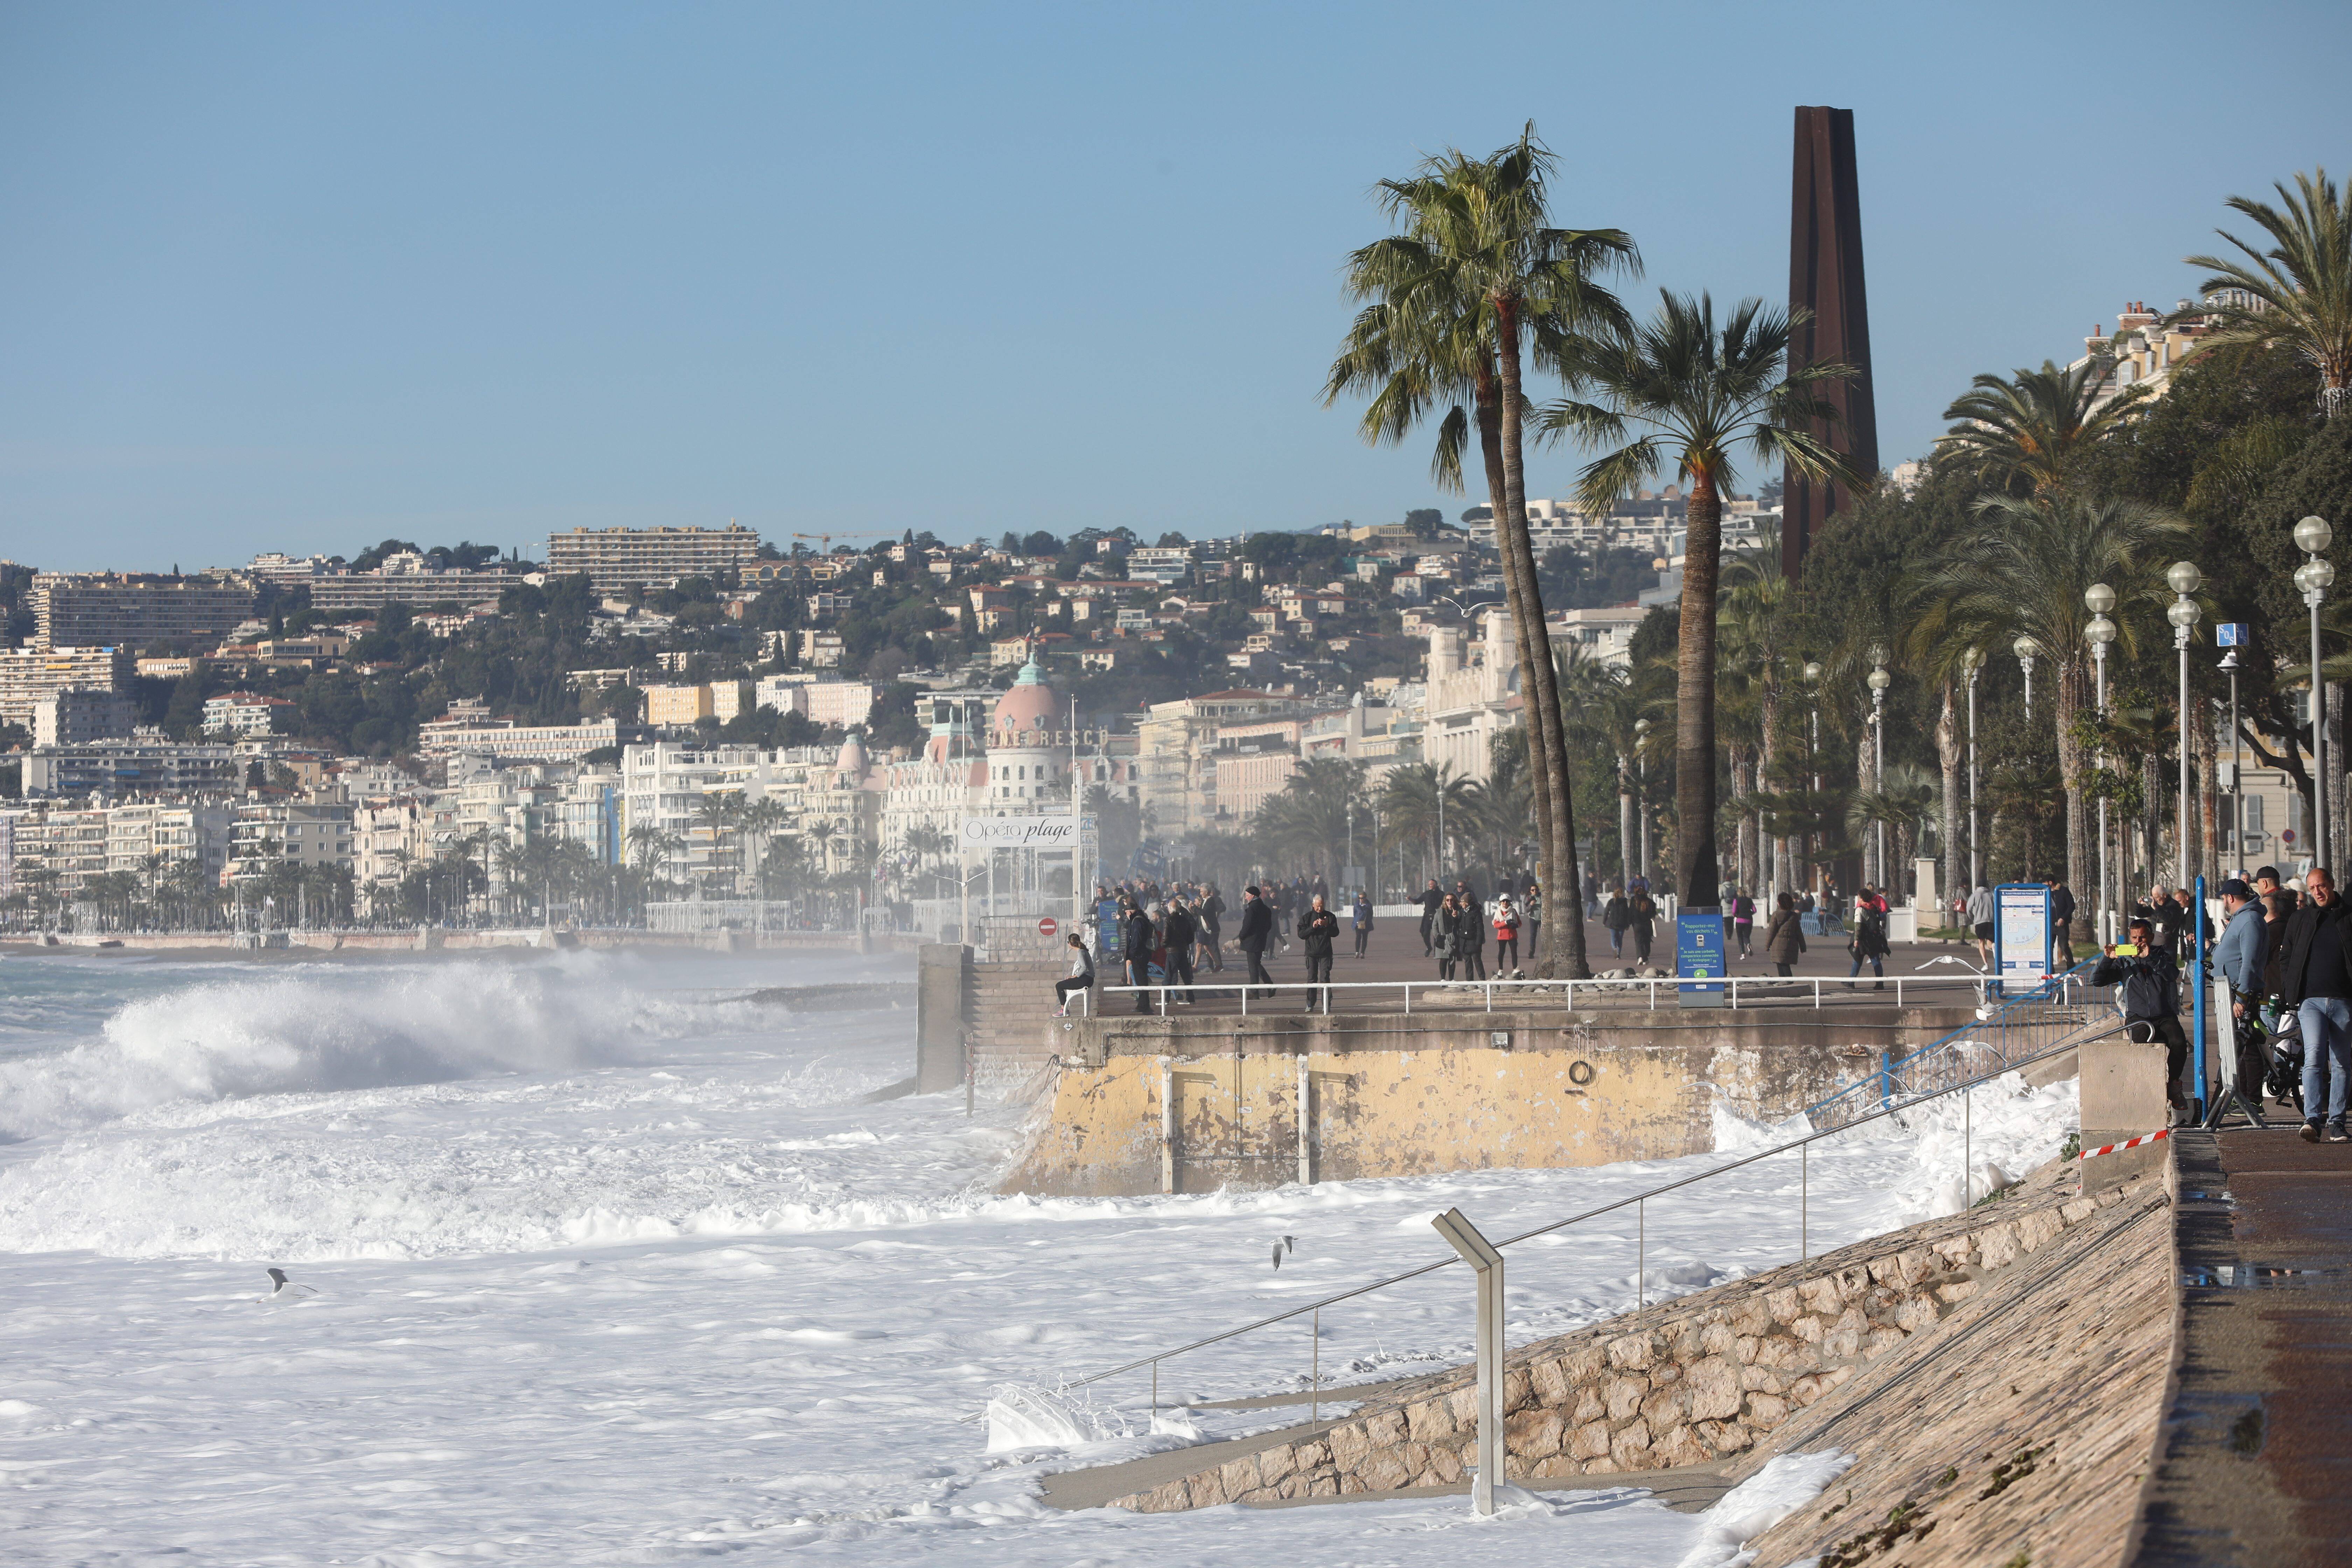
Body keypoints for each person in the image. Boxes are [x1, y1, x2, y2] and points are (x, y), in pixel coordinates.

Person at [2273, 865, 2352, 1142]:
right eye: (2312, 888)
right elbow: (2287, 957)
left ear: (2332, 885)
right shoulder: (2301, 918)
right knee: (2314, 1057)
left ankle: (2339, 1122)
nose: (2317, 892)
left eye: (2322, 886)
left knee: (2342, 1062)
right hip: (2311, 1002)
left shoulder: (2347, 917)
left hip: (2344, 1001)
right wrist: (2290, 988)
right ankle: (2313, 1119)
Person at [2092, 915, 2191, 1125]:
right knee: (2141, 1047)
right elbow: (2097, 981)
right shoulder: (2124, 960)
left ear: (2151, 937)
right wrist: (2107, 958)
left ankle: (2173, 1086)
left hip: (2164, 1014)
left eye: (2143, 938)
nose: (2138, 943)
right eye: (2135, 938)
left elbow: (2172, 974)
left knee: (2179, 1043)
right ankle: (2146, 1094)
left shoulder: (2162, 954)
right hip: (2138, 1016)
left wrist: (2150, 959)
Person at [1299, 893, 1340, 1011]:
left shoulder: (1330, 917)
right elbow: (1301, 935)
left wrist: (1326, 925)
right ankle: (1310, 1004)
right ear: (1313, 905)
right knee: (1312, 978)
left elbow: (1336, 933)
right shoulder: (1306, 918)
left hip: (1326, 953)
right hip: (1311, 953)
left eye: (1322, 906)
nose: (1319, 909)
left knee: (1325, 978)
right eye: (1317, 906)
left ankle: (1326, 1005)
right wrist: (1313, 927)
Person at [1237, 884, 1276, 1001]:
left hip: (1251, 941)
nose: (1246, 898)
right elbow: (1269, 926)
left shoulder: (1252, 908)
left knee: (1253, 967)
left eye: (1247, 896)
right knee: (1256, 964)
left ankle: (1256, 992)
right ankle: (1269, 987)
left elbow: (1247, 926)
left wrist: (1242, 936)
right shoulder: (1265, 908)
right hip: (1261, 940)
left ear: (1253, 896)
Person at [1122, 901, 1157, 1013]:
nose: (1126, 914)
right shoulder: (1141, 919)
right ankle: (1142, 1004)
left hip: (1139, 955)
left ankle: (1144, 1006)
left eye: (1127, 912)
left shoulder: (1137, 921)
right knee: (1141, 980)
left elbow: (1136, 940)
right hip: (1143, 954)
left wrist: (1132, 954)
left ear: (1130, 911)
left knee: (1141, 981)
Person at [1848, 894, 1889, 989]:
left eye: (1859, 897)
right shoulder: (1874, 908)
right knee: (1875, 960)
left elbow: (1858, 926)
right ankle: (1880, 983)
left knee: (1857, 959)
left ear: (1863, 899)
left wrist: (1856, 939)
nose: (1858, 899)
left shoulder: (1860, 909)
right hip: (1874, 937)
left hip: (1863, 939)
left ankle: (1851, 982)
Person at [1163, 895, 1198, 1003]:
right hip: (1183, 950)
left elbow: (1165, 937)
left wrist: (1164, 945)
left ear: (1170, 909)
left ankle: (1166, 1000)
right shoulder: (1184, 919)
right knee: (1186, 977)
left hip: (1172, 951)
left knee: (1168, 976)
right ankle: (1190, 998)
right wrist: (1184, 944)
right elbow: (1191, 937)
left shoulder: (1168, 920)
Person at [1763, 890, 1806, 977]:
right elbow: (1799, 932)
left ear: (1779, 903)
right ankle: (1785, 983)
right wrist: (1803, 947)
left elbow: (1771, 932)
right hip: (1791, 943)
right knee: (1784, 964)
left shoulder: (1776, 915)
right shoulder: (1794, 916)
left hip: (1778, 944)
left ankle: (1788, 983)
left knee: (1782, 965)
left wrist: (1767, 946)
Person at [1054, 931, 1094, 1016]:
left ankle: (1064, 1010)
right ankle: (1064, 1009)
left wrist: (1075, 976)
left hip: (1086, 980)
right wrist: (1074, 978)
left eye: (1069, 942)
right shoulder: (1083, 951)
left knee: (1059, 986)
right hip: (1088, 979)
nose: (1069, 944)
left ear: (1071, 944)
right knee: (1064, 983)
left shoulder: (1081, 952)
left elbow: (1084, 968)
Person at [1455, 880, 1488, 981]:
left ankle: (1483, 980)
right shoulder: (1461, 912)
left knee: (1477, 961)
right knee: (1467, 963)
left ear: (1467, 903)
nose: (1461, 904)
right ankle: (1470, 982)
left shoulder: (1476, 912)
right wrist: (1455, 918)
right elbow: (1457, 925)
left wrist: (1479, 942)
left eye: (1463, 902)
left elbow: (1480, 928)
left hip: (1474, 941)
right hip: (1464, 942)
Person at [2048, 877, 2077, 967]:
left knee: (2064, 946)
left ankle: (2071, 968)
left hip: (2062, 925)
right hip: (2050, 925)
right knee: (2049, 948)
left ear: (2050, 882)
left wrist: (2063, 918)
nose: (2043, 885)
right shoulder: (2045, 893)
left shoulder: (2064, 891)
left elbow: (2072, 906)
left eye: (2045, 883)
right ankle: (2050, 971)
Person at [1967, 882, 1995, 969]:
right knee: (1990, 942)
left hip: (1980, 922)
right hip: (1991, 921)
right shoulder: (1992, 895)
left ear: (1977, 886)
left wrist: (1972, 918)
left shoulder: (1975, 895)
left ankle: (1986, 964)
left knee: (1981, 942)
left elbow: (1969, 908)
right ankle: (1993, 947)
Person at [1198, 883, 1226, 972]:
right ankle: (1211, 965)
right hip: (1207, 927)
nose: (1200, 893)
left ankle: (1218, 965)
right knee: (1208, 946)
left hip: (1212, 928)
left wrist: (1216, 913)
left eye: (1202, 891)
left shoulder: (1213, 900)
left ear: (1207, 892)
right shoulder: (1205, 900)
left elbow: (1205, 912)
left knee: (1213, 946)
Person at [1629, 885, 1658, 967]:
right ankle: (1646, 956)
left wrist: (1629, 923)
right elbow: (1653, 913)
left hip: (1637, 925)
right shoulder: (1649, 902)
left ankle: (1641, 957)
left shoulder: (1634, 901)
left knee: (1639, 941)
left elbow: (1630, 912)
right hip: (1647, 924)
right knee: (1647, 941)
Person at [1492, 894, 1521, 976]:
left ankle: (1515, 969)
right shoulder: (1498, 912)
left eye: (1507, 901)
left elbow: (1520, 923)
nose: (1505, 903)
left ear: (1510, 902)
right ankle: (1500, 970)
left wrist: (1516, 926)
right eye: (1503, 901)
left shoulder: (1514, 911)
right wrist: (1505, 923)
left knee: (1514, 953)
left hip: (1513, 935)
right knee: (1502, 953)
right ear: (1501, 903)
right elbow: (1496, 925)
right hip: (1502, 936)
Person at [1435, 893, 1462, 981]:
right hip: (1442, 938)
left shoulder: (1458, 912)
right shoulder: (1440, 912)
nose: (1450, 902)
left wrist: (1455, 917)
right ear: (1445, 901)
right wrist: (1438, 936)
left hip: (1453, 938)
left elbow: (1459, 925)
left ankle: (1452, 980)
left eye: (1451, 900)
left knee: (1452, 960)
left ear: (1454, 901)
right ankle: (1443, 979)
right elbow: (1435, 925)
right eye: (1448, 900)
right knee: (1443, 960)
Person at [1417, 878, 1445, 957]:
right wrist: (1411, 899)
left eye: (1431, 885)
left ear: (1435, 885)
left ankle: (1437, 952)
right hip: (1427, 916)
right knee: (1425, 933)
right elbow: (1417, 901)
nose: (1429, 886)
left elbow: (1444, 903)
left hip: (1437, 916)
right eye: (1429, 885)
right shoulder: (1426, 894)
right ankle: (1429, 948)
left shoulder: (1441, 894)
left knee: (1436, 934)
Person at [1603, 885, 1631, 958]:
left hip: (1612, 923)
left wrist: (1604, 921)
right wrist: (1628, 924)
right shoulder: (1624, 902)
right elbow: (1627, 913)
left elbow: (1606, 912)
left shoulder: (1611, 902)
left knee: (1613, 937)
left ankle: (1614, 948)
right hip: (1622, 923)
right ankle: (1619, 953)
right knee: (1620, 939)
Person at [1731, 888, 1756, 960]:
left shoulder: (1737, 900)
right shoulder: (1750, 900)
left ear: (1738, 893)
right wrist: (1750, 914)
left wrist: (1737, 916)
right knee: (1746, 937)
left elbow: (1734, 912)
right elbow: (1755, 910)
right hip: (1749, 921)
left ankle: (1743, 955)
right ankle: (1748, 944)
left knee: (1740, 938)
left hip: (1740, 920)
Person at [1351, 889, 1373, 958]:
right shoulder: (1357, 905)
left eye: (1362, 898)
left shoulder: (1369, 905)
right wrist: (1357, 920)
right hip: (1359, 923)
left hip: (1366, 923)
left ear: (1365, 898)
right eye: (1360, 898)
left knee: (1365, 938)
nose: (1361, 900)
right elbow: (1355, 914)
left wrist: (1368, 921)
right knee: (1358, 937)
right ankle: (1357, 952)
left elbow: (1371, 914)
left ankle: (1363, 953)